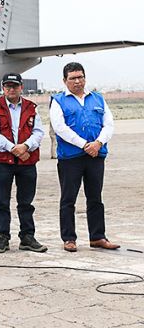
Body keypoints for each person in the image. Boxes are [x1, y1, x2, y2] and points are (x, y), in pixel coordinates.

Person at [50, 62, 118, 252]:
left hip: (96, 155)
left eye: (80, 77)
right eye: (73, 78)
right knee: (68, 199)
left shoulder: (98, 98)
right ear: (65, 80)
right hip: (70, 158)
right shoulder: (58, 101)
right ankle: (69, 238)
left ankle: (97, 237)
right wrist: (84, 145)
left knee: (95, 197)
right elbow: (60, 128)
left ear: (85, 78)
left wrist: (98, 143)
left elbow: (109, 124)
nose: (77, 81)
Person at [0, 73, 47, 254]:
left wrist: (26, 146)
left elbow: (38, 132)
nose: (11, 89)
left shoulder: (31, 107)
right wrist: (13, 148)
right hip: (2, 161)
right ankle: (2, 237)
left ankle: (27, 237)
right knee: (2, 202)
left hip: (27, 162)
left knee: (26, 202)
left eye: (14, 86)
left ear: (21, 87)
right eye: (8, 86)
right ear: (3, 88)